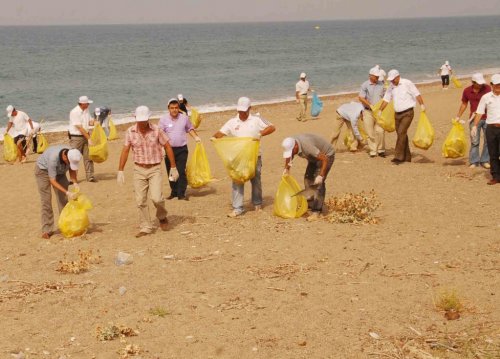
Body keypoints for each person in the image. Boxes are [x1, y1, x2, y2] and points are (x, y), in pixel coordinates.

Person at [117, 105, 179, 237]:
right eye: (139, 120)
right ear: (136, 118)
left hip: (154, 168)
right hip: (139, 169)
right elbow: (125, 150)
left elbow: (167, 146)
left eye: (144, 120)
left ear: (148, 119)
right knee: (140, 200)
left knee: (157, 198)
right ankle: (146, 226)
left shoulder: (157, 130)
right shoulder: (130, 132)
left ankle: (162, 216)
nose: (142, 123)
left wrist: (173, 167)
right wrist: (120, 170)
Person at [212, 97, 275, 217]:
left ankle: (257, 203)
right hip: (238, 157)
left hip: (255, 156)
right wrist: (214, 138)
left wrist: (260, 134)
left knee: (256, 179)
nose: (241, 113)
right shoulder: (232, 122)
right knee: (237, 180)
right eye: (240, 111)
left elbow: (272, 127)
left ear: (249, 108)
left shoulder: (256, 119)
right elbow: (221, 132)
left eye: (244, 111)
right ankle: (237, 208)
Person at [281, 134, 335, 221]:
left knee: (318, 184)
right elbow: (290, 156)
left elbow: (324, 159)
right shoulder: (292, 143)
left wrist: (321, 176)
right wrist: (286, 169)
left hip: (326, 155)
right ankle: (310, 204)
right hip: (314, 158)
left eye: (291, 151)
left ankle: (317, 212)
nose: (291, 153)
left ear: (296, 146)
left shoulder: (307, 147)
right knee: (308, 179)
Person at [379, 69, 426, 164]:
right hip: (397, 114)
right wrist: (380, 110)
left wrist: (422, 105)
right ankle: (407, 156)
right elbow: (386, 99)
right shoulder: (391, 87)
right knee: (402, 134)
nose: (392, 81)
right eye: (391, 80)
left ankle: (398, 157)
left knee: (401, 133)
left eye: (393, 79)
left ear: (398, 76)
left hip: (408, 113)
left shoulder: (407, 83)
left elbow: (417, 94)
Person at [34, 145, 82, 239]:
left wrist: (75, 183)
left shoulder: (72, 154)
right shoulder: (53, 158)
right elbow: (52, 180)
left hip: (60, 172)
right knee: (46, 200)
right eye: (69, 162)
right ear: (64, 157)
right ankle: (47, 230)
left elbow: (72, 170)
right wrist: (68, 192)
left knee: (63, 199)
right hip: (43, 171)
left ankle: (65, 225)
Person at [159, 98, 201, 200]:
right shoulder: (163, 119)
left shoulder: (184, 118)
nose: (174, 110)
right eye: (172, 108)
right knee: (171, 171)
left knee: (181, 170)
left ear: (179, 108)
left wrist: (196, 137)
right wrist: (161, 148)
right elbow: (159, 134)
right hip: (168, 150)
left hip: (182, 149)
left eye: (176, 108)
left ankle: (181, 193)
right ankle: (174, 192)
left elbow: (189, 128)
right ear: (168, 108)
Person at [455, 73, 491, 169]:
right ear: (473, 82)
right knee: (475, 141)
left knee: (488, 140)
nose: (480, 85)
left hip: (488, 118)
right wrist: (458, 116)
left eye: (481, 83)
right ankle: (474, 161)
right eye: (478, 83)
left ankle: (485, 160)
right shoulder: (467, 91)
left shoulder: (487, 88)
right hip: (474, 119)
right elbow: (464, 104)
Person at [471, 74, 500, 185]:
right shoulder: (486, 97)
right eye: (496, 85)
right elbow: (480, 112)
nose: (499, 87)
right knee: (493, 153)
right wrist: (474, 126)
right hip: (491, 128)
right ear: (491, 85)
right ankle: (496, 176)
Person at [358, 66, 386, 157]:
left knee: (380, 131)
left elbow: (386, 97)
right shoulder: (365, 85)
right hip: (368, 111)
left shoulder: (381, 84)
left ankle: (381, 149)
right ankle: (373, 150)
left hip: (379, 111)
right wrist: (369, 105)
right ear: (370, 76)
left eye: (378, 76)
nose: (377, 78)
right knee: (369, 132)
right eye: (375, 76)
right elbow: (361, 98)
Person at [69, 96, 96, 182]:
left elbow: (89, 122)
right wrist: (89, 138)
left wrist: (95, 122)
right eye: (87, 103)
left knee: (88, 157)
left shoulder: (86, 111)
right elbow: (79, 127)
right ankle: (73, 178)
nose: (88, 104)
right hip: (76, 137)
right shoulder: (74, 112)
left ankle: (90, 176)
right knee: (74, 157)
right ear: (83, 103)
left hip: (86, 135)